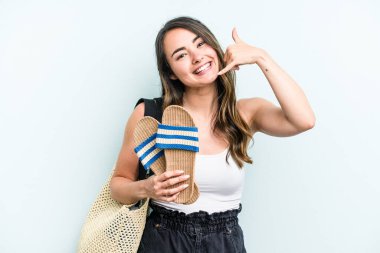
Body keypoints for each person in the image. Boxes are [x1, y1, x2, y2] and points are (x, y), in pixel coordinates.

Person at [109, 16, 315, 253]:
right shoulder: (151, 115)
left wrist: (260, 57)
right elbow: (118, 186)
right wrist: (147, 188)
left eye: (200, 44)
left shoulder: (244, 114)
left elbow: (304, 120)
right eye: (181, 55)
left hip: (224, 241)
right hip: (163, 239)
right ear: (172, 73)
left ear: (215, 49)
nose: (197, 57)